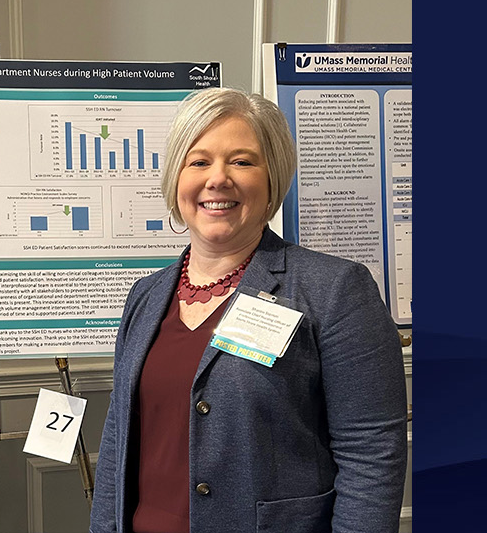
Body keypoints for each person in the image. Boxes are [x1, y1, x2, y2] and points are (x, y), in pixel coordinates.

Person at [90, 88, 406, 533]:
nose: (217, 179)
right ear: (175, 178)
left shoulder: (334, 290)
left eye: (241, 161)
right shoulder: (145, 296)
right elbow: (117, 441)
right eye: (198, 162)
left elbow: (371, 453)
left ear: (272, 177)